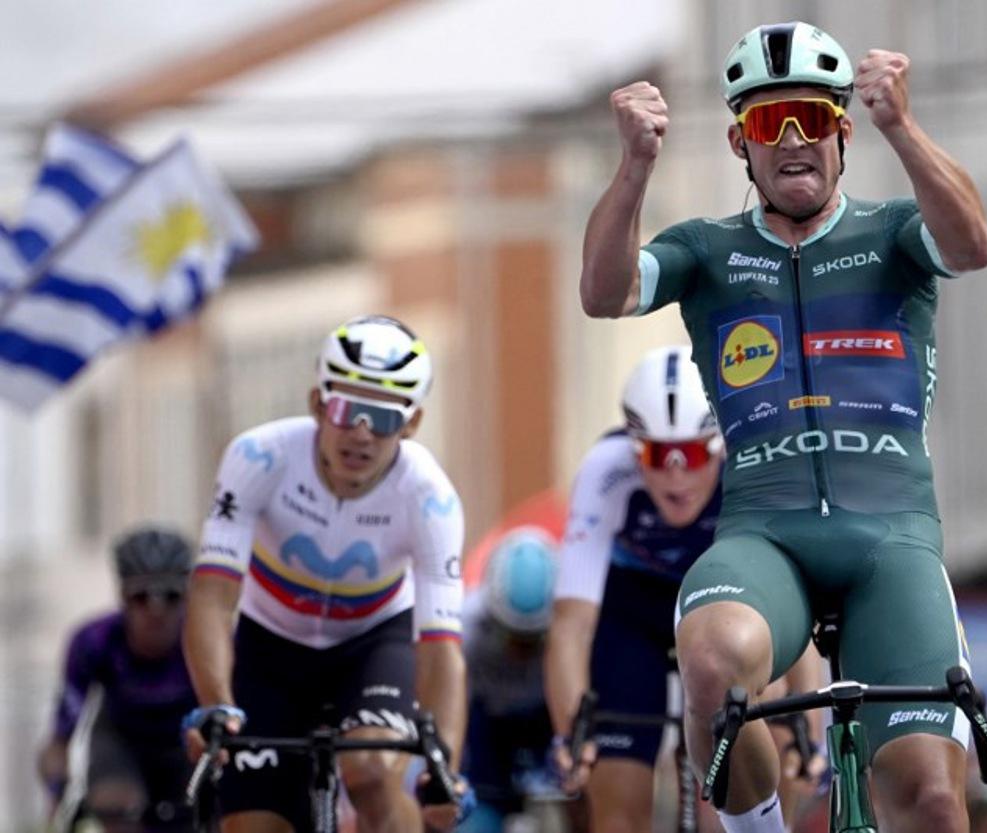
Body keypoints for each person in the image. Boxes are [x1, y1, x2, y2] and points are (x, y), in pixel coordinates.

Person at [578, 21, 987, 833]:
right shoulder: (709, 250)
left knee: (936, 804)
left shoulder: (896, 232)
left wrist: (902, 127)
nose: (794, 138)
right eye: (770, 122)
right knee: (709, 662)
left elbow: (972, 244)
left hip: (892, 541)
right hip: (765, 538)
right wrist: (633, 166)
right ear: (742, 141)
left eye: (811, 115)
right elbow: (603, 293)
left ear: (843, 128)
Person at [182, 315, 468, 833]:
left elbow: (441, 646)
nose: (361, 433)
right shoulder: (259, 456)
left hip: (372, 645)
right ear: (317, 403)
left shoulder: (431, 499)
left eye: (382, 418)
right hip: (270, 646)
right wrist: (217, 705)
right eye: (346, 409)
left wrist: (442, 767)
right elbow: (212, 596)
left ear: (412, 424)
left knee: (372, 771)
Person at [546, 346, 822, 833]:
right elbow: (572, 624)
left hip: (726, 601)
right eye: (657, 455)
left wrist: (806, 725)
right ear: (633, 449)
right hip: (635, 614)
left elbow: (786, 600)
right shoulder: (604, 470)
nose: (676, 475)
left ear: (719, 445)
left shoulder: (748, 465)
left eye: (693, 455)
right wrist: (573, 731)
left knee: (754, 777)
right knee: (617, 813)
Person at [38, 526, 198, 832]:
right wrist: (56, 791)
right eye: (141, 597)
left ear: (187, 598)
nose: (156, 610)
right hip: (122, 742)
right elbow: (59, 741)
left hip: (186, 743)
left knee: (215, 802)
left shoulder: (205, 642)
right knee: (116, 803)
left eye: (171, 596)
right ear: (122, 597)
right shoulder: (94, 642)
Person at [457, 526, 559, 833]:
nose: (520, 651)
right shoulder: (466, 629)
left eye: (531, 639)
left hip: (547, 720)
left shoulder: (573, 630)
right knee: (475, 818)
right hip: (487, 725)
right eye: (512, 635)